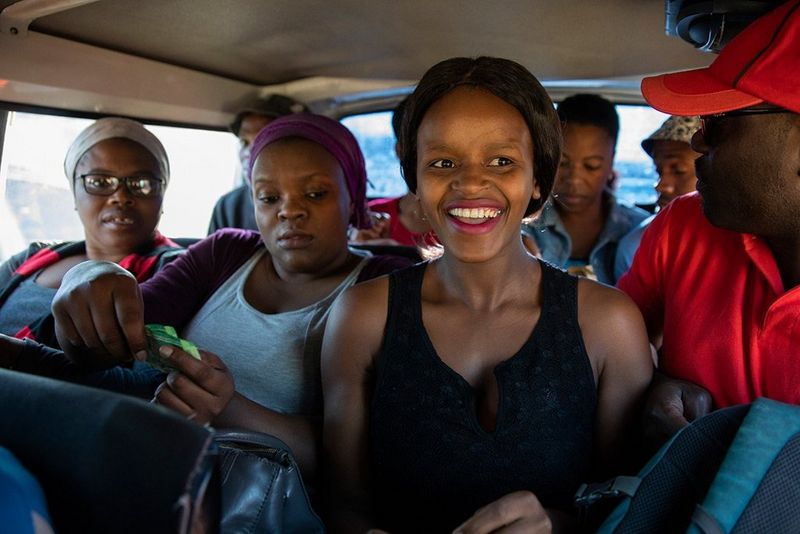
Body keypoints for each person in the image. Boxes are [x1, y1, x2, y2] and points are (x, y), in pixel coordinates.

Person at [321, 57, 653, 533]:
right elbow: (344, 505)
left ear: (538, 178)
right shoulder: (362, 316)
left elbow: (629, 510)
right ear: (414, 179)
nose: (470, 182)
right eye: (442, 162)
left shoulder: (608, 324)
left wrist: (557, 527)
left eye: (501, 161)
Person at [51, 113, 412, 480]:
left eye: (316, 193)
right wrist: (91, 276)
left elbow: (371, 455)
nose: (288, 210)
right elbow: (108, 342)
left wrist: (229, 409)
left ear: (353, 199)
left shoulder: (386, 284)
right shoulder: (225, 252)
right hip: (152, 463)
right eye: (269, 197)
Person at [617, 0, 800, 444]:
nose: (697, 141)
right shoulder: (683, 226)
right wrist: (649, 384)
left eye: (717, 123)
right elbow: (612, 342)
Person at [0, 117, 182, 347]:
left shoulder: (179, 271)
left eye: (142, 184)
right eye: (100, 182)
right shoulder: (33, 257)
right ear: (74, 193)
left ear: (162, 196)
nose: (121, 197)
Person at [521, 94, 649, 284]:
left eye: (591, 166)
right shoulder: (521, 229)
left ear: (612, 161)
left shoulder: (642, 233)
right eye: (562, 163)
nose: (574, 180)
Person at [613, 115, 700, 280]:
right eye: (658, 171)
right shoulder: (637, 246)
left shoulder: (739, 240)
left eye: (678, 171)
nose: (661, 185)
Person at [207, 94, 308, 233]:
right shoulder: (227, 206)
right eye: (244, 142)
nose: (250, 151)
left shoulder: (316, 200)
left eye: (263, 140)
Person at [350, 96, 432, 247]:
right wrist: (361, 250)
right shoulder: (371, 220)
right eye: (423, 143)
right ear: (400, 150)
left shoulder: (474, 222)